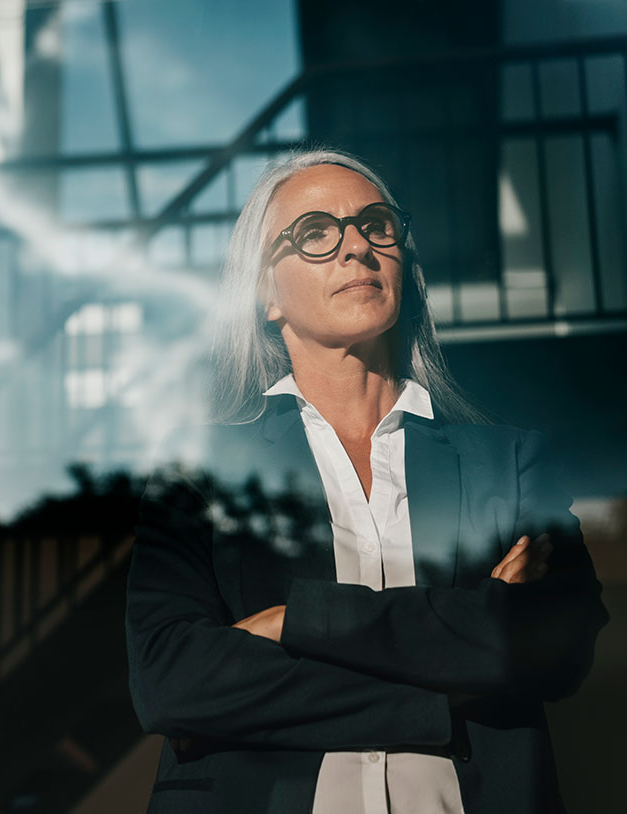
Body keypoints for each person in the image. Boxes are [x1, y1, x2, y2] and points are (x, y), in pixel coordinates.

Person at [124, 149, 609, 814]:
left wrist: (297, 621)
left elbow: (556, 643)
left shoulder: (512, 463)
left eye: (376, 225)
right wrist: (451, 676)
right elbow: (172, 682)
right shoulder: (197, 476)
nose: (356, 247)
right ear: (266, 295)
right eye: (315, 233)